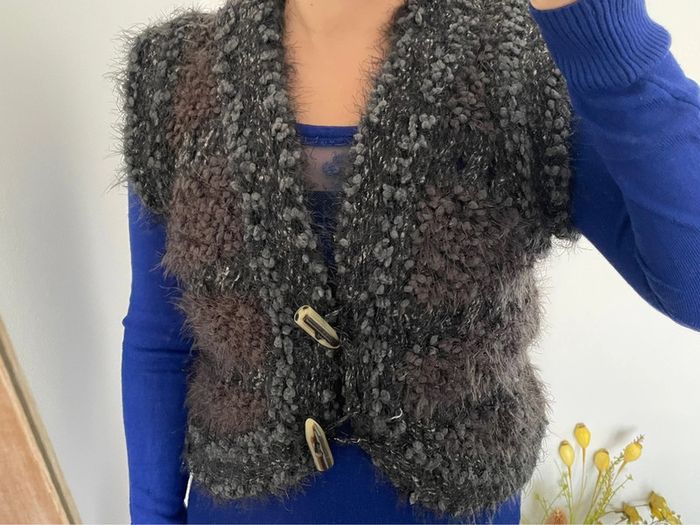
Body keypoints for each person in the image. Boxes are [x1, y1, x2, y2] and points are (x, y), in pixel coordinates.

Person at [119, 0, 700, 523]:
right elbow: (159, 338)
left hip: (455, 504)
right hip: (237, 508)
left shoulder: (526, 65)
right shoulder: (176, 73)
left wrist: (599, 31)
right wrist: (152, 515)